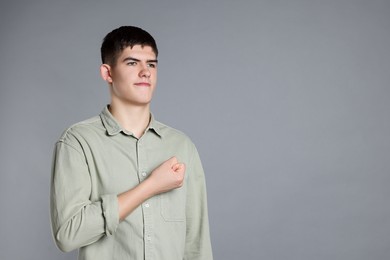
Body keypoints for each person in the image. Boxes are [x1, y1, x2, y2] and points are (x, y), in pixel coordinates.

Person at [50, 26, 213, 260]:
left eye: (151, 64)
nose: (145, 72)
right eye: (132, 63)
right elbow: (67, 234)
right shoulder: (77, 142)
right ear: (108, 73)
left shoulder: (182, 146)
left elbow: (197, 245)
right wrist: (150, 186)